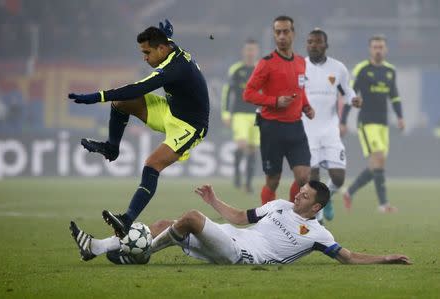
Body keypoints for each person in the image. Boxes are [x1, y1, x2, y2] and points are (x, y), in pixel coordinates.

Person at [67, 20, 210, 237]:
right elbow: (166, 38)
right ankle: (112, 148)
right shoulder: (168, 47)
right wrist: (165, 32)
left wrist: (98, 97)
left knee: (152, 165)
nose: (144, 58)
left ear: (161, 49)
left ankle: (127, 219)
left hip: (189, 126)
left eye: (147, 52)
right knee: (121, 104)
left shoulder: (173, 69)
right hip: (169, 111)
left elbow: (138, 87)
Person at [70, 181, 411, 266]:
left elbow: (347, 257)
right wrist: (213, 201)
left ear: (317, 206)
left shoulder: (318, 233)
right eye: (300, 190)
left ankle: (141, 252)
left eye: (304, 196)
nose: (297, 196)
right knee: (164, 222)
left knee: (188, 219)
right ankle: (97, 248)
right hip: (232, 236)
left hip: (243, 255)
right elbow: (238, 218)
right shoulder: (279, 204)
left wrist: (387, 258)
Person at [243, 16, 315, 205]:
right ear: (274, 35)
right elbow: (248, 93)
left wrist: (306, 106)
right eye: (278, 32)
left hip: (295, 127)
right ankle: (268, 218)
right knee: (273, 181)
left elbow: (300, 90)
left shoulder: (301, 62)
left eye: (285, 31)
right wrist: (274, 101)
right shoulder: (266, 63)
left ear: (293, 33)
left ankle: (291, 213)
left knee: (303, 176)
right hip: (271, 128)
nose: (281, 36)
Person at [300, 28, 362, 223]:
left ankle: (329, 198)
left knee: (338, 178)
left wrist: (354, 100)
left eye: (318, 42)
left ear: (326, 45)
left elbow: (347, 91)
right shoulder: (300, 67)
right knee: (313, 176)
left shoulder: (338, 68)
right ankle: (317, 217)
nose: (314, 45)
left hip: (330, 130)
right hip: (307, 130)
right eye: (310, 42)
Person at [340, 35, 404, 213]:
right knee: (379, 159)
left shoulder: (390, 71)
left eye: (381, 47)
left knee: (377, 164)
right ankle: (383, 204)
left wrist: (400, 117)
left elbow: (395, 96)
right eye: (375, 47)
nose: (378, 50)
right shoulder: (362, 69)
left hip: (383, 123)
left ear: (386, 49)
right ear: (370, 49)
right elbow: (351, 95)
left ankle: (349, 192)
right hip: (367, 122)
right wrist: (343, 121)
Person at [221, 39, 260, 193]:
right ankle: (237, 172)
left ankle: (248, 184)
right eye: (248, 50)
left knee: (252, 149)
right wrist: (226, 113)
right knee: (242, 145)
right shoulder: (236, 69)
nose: (250, 53)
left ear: (256, 52)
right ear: (244, 52)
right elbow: (227, 92)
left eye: (253, 50)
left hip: (257, 114)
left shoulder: (261, 69)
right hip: (239, 114)